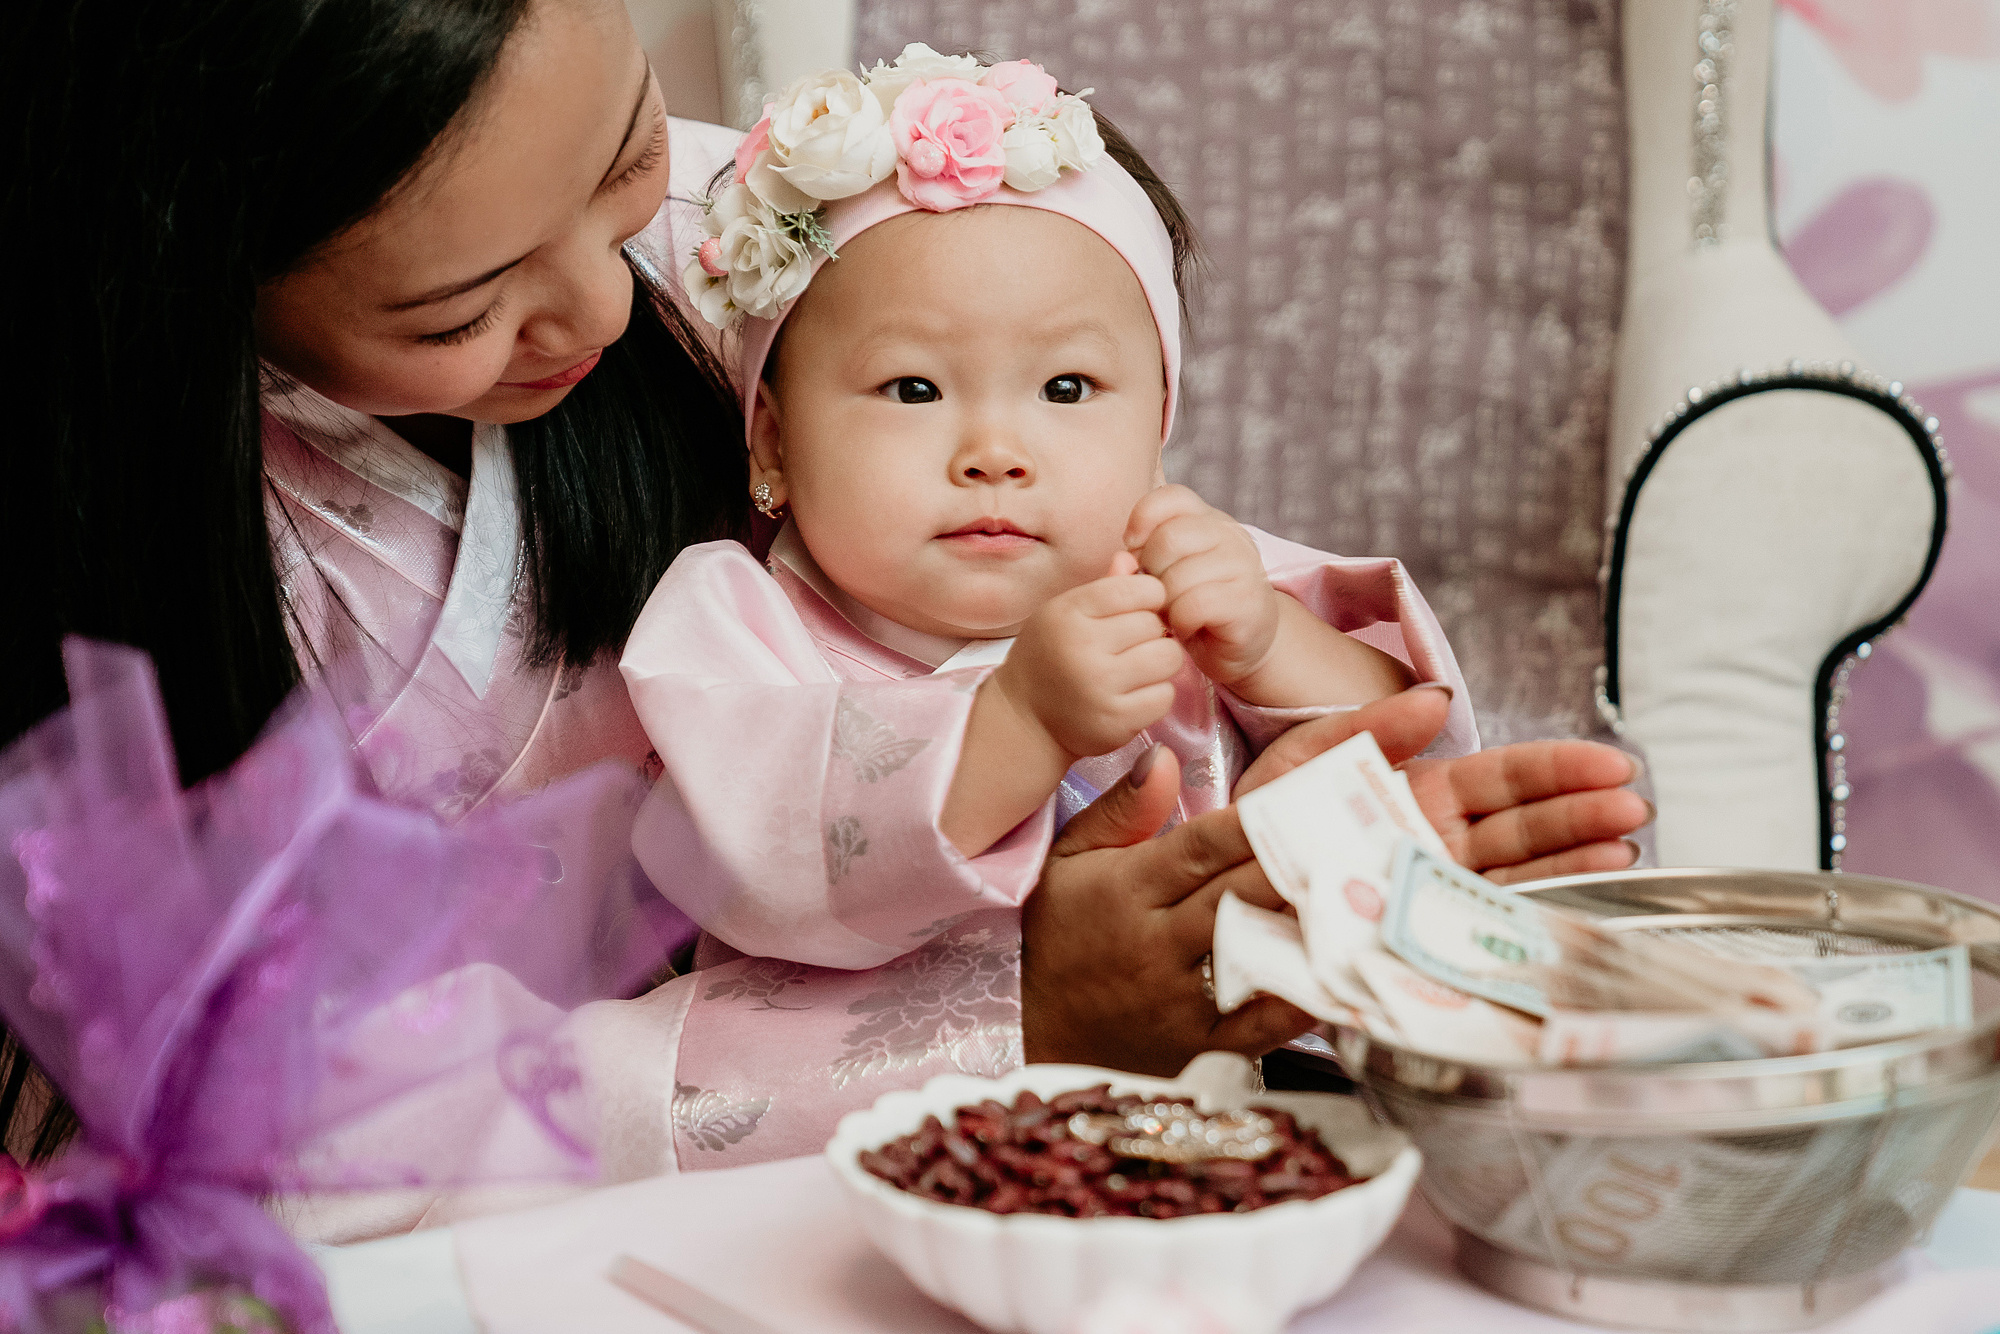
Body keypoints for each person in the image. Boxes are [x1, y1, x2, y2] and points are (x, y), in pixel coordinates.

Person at [1, 0, 1649, 1224]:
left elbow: (1103, 509)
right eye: (461, 309)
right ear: (189, 266)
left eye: (627, 152)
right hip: (626, 1209)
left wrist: (1290, 676)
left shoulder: (780, 242)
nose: (611, 299)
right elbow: (301, 1124)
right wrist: (1022, 1010)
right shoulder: (156, 589)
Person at [620, 47, 1477, 972]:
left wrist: (1270, 649)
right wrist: (1021, 723)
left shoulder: (1181, 582)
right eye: (913, 389)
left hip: (1228, 1039)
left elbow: (1414, 745)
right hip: (908, 1059)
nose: (995, 453)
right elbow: (745, 859)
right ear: (775, 441)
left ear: (1156, 426)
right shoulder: (735, 623)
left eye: (1066, 387)